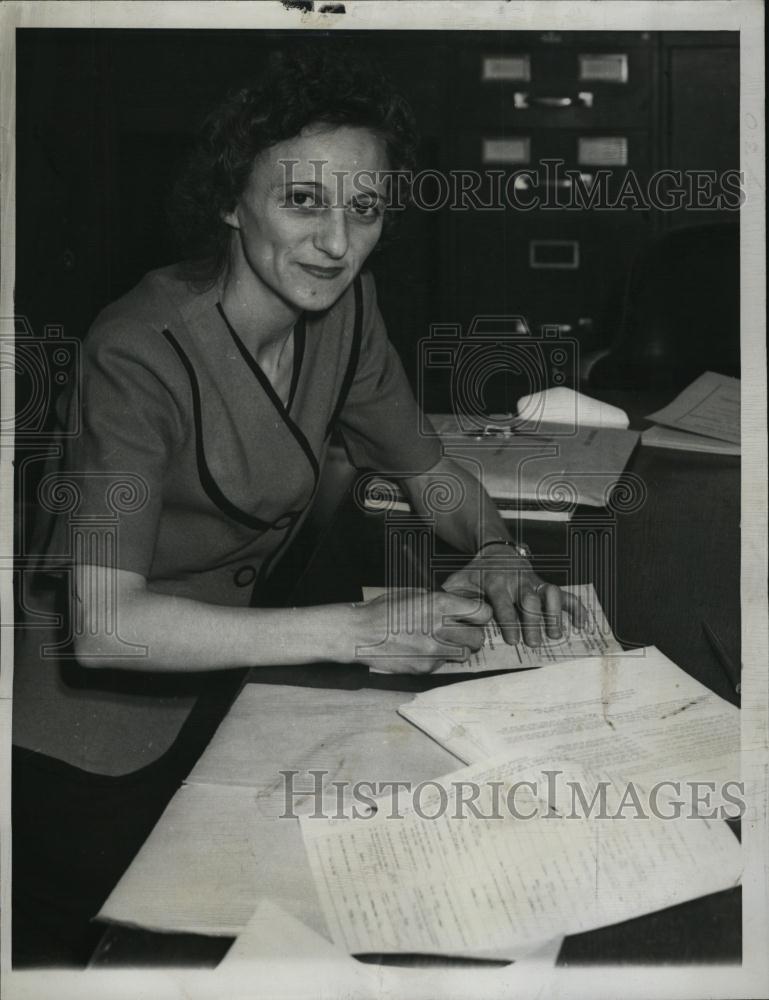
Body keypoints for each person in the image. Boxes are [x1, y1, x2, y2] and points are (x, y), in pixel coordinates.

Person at [11, 46, 586, 966]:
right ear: (231, 204)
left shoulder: (343, 311)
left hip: (227, 683)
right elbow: (104, 624)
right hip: (85, 747)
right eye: (304, 201)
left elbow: (425, 469)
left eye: (364, 208)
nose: (336, 242)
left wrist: (497, 547)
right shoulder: (132, 353)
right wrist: (360, 633)